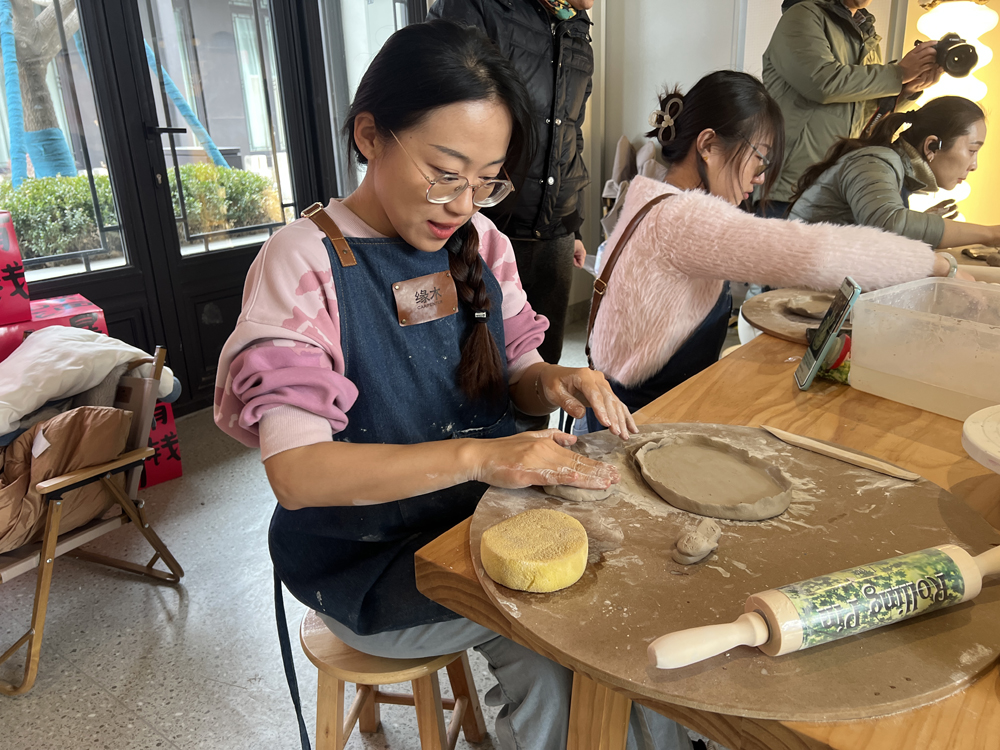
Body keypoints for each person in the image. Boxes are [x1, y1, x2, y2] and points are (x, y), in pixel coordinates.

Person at [214, 21, 694, 750]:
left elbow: (517, 372)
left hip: (482, 519)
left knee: (627, 596)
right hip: (366, 561)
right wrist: (480, 457)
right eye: (445, 172)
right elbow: (298, 473)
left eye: (486, 179)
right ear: (370, 135)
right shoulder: (304, 261)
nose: (463, 203)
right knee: (562, 639)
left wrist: (553, 380)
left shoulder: (483, 241)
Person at [584, 70, 969, 431]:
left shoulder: (653, 195)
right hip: (633, 418)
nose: (761, 176)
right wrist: (933, 264)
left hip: (626, 401)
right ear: (708, 144)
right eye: (760, 157)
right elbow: (816, 253)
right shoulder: (683, 218)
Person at [427, 0, 594, 371]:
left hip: (553, 230)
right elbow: (441, 116)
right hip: (483, 221)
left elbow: (571, 134)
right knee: (472, 363)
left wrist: (573, 224)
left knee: (541, 363)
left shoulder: (576, 28)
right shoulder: (478, 7)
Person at [761, 0, 940, 218]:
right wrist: (898, 74)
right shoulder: (803, 14)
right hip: (786, 188)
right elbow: (822, 83)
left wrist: (906, 89)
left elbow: (865, 115)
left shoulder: (865, 33)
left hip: (831, 190)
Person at [789, 95, 1000, 248]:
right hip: (792, 288)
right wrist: (990, 234)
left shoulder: (892, 168)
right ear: (931, 146)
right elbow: (889, 224)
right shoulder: (875, 162)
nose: (974, 165)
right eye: (972, 150)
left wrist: (922, 224)